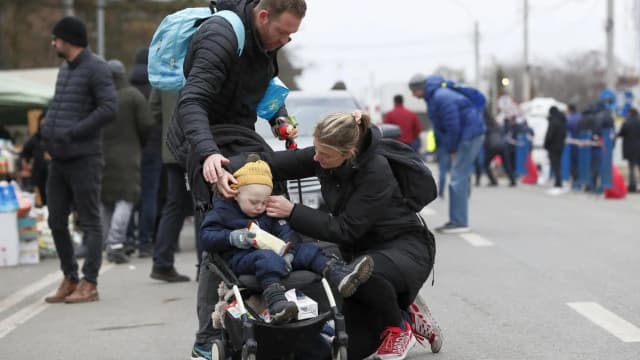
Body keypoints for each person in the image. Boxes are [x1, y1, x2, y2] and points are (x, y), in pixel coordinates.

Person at [217, 111, 442, 360]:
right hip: (360, 255)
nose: (316, 157)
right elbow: (274, 163)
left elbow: (346, 229)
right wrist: (223, 165)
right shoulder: (323, 154)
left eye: (324, 155)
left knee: (358, 274)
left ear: (349, 154)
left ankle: (398, 327)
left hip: (404, 247)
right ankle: (405, 312)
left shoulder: (376, 170)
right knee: (350, 351)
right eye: (315, 150)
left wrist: (292, 211)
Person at [161, 0, 307, 358]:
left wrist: (279, 119)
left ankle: (271, 300)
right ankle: (206, 338)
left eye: (292, 35)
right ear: (262, 16)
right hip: (201, 136)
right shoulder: (220, 36)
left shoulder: (265, 42)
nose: (286, 41)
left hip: (238, 133)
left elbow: (266, 85)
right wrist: (208, 154)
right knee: (224, 224)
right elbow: (191, 102)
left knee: (269, 202)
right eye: (282, 32)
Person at [200, 154, 373, 324]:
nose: (259, 207)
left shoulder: (266, 211)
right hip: (241, 257)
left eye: (264, 202)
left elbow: (285, 230)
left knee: (308, 249)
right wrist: (231, 237)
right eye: (254, 202)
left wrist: (289, 251)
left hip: (278, 253)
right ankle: (276, 301)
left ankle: (336, 273)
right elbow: (206, 237)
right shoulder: (223, 213)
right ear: (236, 194)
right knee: (266, 257)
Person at [41, 16, 117, 303]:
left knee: (90, 221)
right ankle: (70, 277)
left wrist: (74, 132)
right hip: (59, 158)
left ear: (68, 40)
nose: (53, 42)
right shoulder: (65, 69)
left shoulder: (97, 67)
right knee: (55, 219)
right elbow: (58, 105)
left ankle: (90, 282)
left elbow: (109, 107)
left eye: (56, 38)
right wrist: (47, 133)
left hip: (85, 157)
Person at [409, 74, 485, 234]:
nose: (412, 95)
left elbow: (453, 124)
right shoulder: (437, 95)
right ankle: (456, 220)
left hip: (469, 135)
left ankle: (459, 222)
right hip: (468, 134)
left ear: (419, 89)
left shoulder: (440, 97)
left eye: (413, 91)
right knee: (458, 176)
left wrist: (452, 149)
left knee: (458, 177)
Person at [101, 59, 153, 264]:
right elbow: (147, 123)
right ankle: (115, 243)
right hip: (128, 154)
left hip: (102, 155)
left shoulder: (101, 97)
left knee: (105, 202)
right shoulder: (133, 96)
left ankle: (107, 242)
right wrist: (140, 142)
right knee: (126, 199)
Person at [149, 88, 193, 282]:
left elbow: (154, 110)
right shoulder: (201, 61)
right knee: (203, 203)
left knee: (174, 205)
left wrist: (170, 125)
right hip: (197, 144)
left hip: (171, 147)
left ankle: (162, 263)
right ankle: (206, 266)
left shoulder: (163, 68)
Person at [127, 47, 162, 258]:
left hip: (131, 149)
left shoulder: (127, 89)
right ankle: (145, 241)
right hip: (153, 148)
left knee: (131, 195)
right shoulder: (156, 86)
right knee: (150, 195)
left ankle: (128, 237)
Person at [21, 112, 51, 206]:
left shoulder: (54, 138)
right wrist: (27, 165)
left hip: (53, 172)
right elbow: (25, 153)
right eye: (42, 124)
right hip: (39, 173)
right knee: (44, 196)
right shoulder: (35, 138)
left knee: (53, 195)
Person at [544, 106, 568, 195]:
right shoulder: (562, 121)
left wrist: (546, 144)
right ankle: (558, 181)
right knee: (558, 165)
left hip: (553, 146)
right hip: (560, 146)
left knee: (555, 165)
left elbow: (550, 134)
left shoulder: (553, 121)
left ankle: (558, 182)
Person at [617, 108, 640, 192]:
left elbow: (621, 133)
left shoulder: (626, 122)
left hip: (630, 150)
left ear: (630, 113)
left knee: (631, 169)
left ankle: (632, 186)